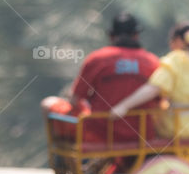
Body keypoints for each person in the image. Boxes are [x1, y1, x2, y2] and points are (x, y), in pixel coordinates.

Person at [41, 12, 160, 144]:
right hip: (142, 136)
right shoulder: (153, 62)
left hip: (100, 135)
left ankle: (63, 160)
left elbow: (75, 99)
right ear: (136, 35)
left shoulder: (97, 58)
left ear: (111, 36)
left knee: (48, 103)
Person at [110, 22, 189, 143]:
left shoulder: (176, 60)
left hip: (176, 129)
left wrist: (123, 106)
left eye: (172, 40)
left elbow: (153, 88)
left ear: (179, 41)